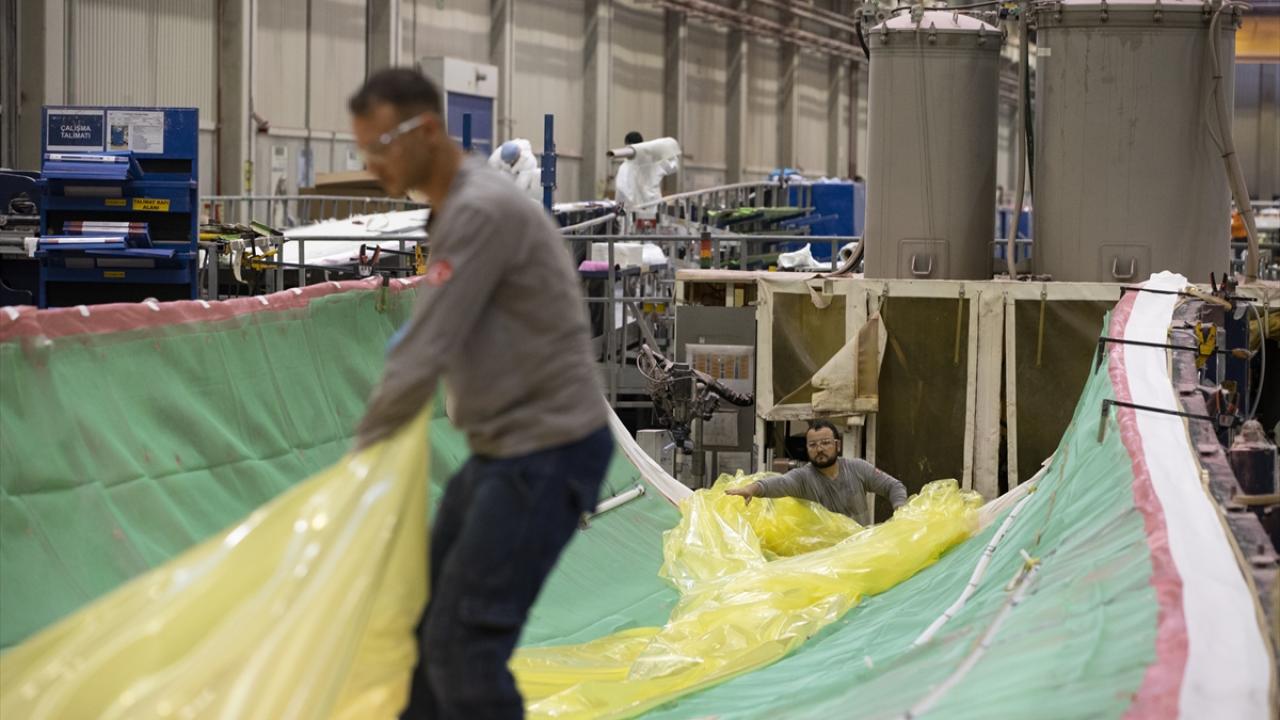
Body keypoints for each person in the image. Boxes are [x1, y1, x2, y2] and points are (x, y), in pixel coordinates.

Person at [348, 68, 611, 719]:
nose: (371, 164)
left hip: (547, 450)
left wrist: (361, 463)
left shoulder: (480, 211)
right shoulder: (455, 209)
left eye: (380, 146)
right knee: (424, 631)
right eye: (364, 150)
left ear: (426, 131)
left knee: (464, 647)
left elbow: (425, 347)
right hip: (504, 450)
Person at [726, 420, 906, 525]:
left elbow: (893, 486)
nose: (819, 449)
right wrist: (751, 489)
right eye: (813, 445)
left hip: (861, 551)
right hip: (824, 558)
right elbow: (777, 483)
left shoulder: (857, 468)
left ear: (837, 445)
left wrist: (901, 511)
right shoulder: (803, 478)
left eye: (825, 443)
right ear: (807, 449)